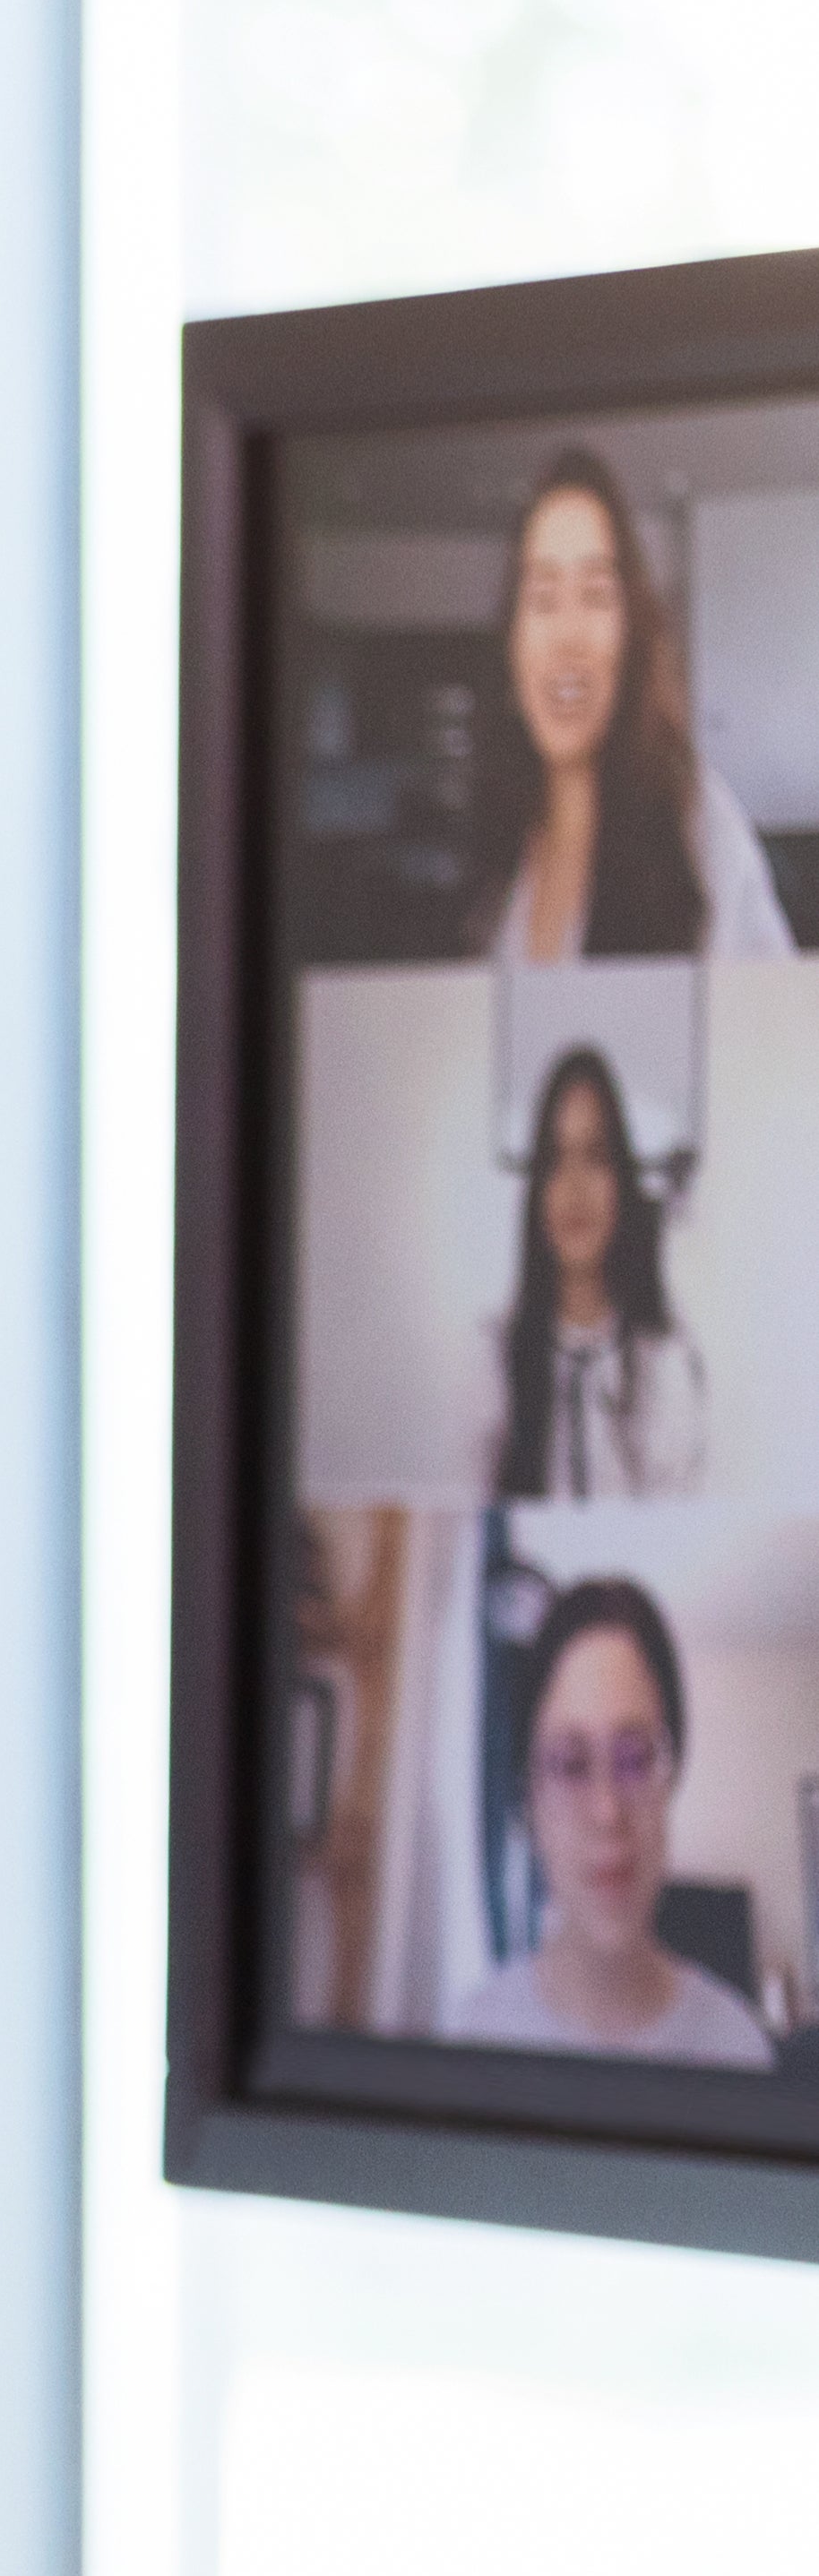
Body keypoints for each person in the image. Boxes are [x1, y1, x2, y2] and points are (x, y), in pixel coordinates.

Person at [466, 443, 797, 963]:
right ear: (513, 642)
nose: (567, 635)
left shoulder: (698, 825)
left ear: (631, 636)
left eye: (596, 594)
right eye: (544, 598)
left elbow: (772, 1030)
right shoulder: (500, 845)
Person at [444, 1578, 773, 2065]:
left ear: (671, 1776)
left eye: (635, 1759)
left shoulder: (740, 2050)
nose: (608, 1812)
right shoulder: (469, 2042)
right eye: (571, 1764)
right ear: (529, 1799)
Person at [484, 1044, 707, 1497]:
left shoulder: (667, 1363)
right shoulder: (491, 1360)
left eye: (595, 1156)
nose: (574, 1187)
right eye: (555, 1160)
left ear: (621, 1180)